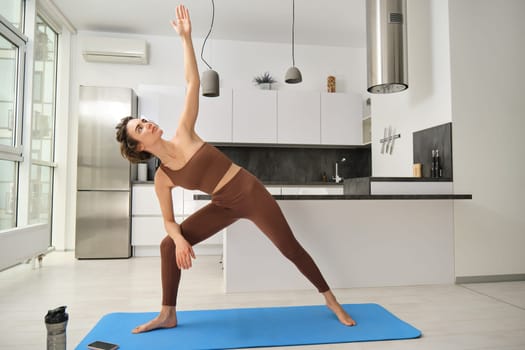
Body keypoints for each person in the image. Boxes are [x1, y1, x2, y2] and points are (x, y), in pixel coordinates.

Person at [115, 4, 356, 333]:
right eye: (140, 128)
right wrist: (181, 240)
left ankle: (331, 300)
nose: (147, 124)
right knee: (168, 244)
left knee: (290, 248)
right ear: (139, 147)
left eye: (143, 120)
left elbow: (191, 83)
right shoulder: (162, 178)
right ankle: (167, 313)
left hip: (248, 190)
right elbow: (169, 222)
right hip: (223, 203)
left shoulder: (184, 133)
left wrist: (186, 38)